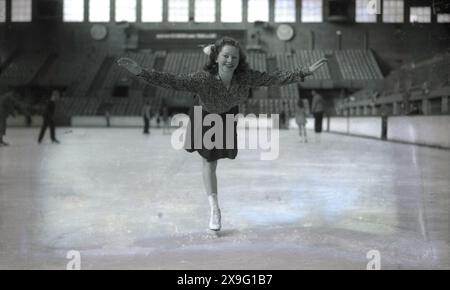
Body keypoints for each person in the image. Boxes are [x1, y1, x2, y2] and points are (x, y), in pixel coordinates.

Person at [117, 37, 327, 231]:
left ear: (239, 60)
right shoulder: (202, 78)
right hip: (204, 114)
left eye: (234, 57)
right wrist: (140, 72)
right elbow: (172, 80)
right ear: (217, 58)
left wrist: (304, 72)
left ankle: (211, 48)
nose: (230, 60)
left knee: (215, 161)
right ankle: (214, 209)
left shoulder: (245, 77)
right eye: (225, 56)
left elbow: (274, 78)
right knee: (209, 162)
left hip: (227, 115)